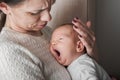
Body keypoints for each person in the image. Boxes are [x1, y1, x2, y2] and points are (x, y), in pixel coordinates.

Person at [0, 0, 97, 80]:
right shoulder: (8, 51)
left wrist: (88, 55)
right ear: (5, 8)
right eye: (35, 12)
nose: (48, 18)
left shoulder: (47, 32)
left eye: (50, 5)